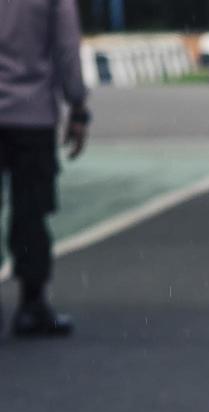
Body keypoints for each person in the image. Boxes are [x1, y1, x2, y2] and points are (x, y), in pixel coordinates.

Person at [0, 0, 89, 338]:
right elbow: (67, 48)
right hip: (31, 113)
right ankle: (31, 304)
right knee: (31, 211)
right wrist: (77, 105)